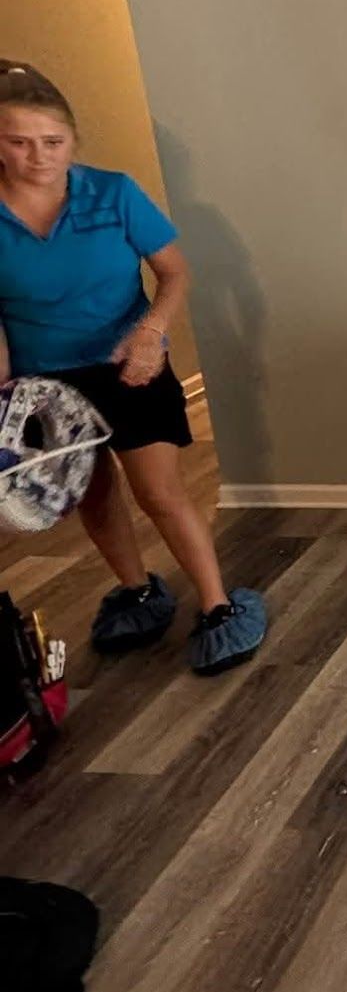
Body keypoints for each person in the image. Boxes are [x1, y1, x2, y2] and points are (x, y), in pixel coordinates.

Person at [0, 62, 266, 675]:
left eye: (52, 142)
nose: (39, 156)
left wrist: (151, 333)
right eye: (20, 142)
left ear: (72, 140)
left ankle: (218, 605)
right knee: (93, 498)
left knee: (160, 493)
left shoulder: (112, 193)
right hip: (46, 389)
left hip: (130, 366)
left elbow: (174, 272)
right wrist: (7, 391)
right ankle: (138, 589)